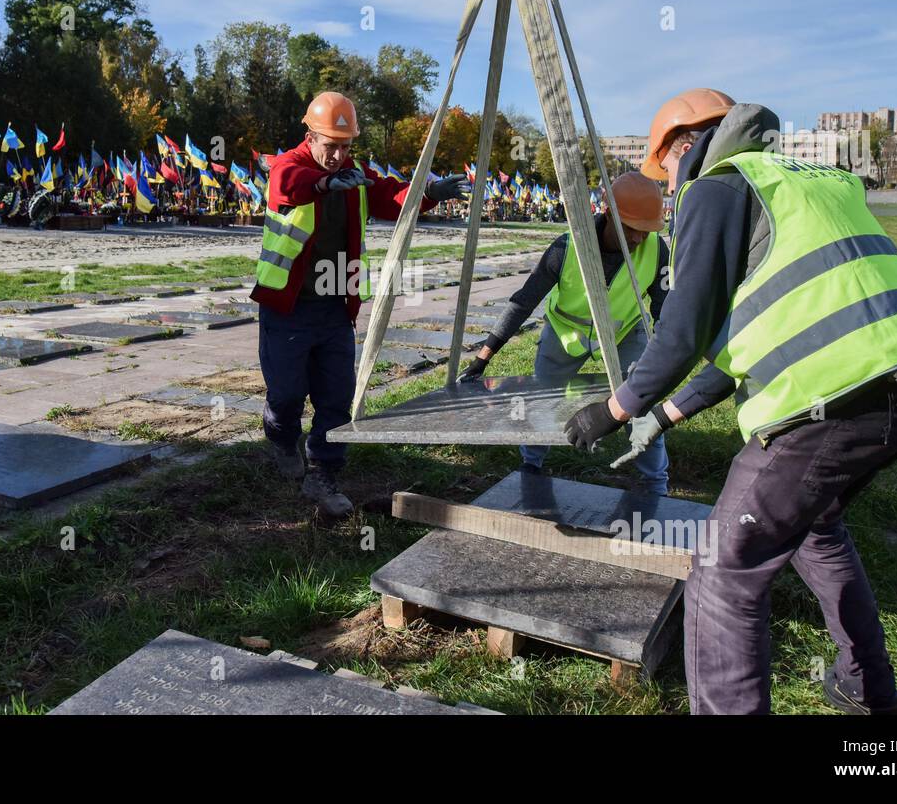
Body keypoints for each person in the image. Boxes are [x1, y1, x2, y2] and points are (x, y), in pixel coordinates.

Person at [561, 92, 897, 715]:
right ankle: (866, 686)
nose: (668, 192)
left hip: (829, 401)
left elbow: (683, 332)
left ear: (679, 147)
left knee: (722, 568)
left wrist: (612, 411)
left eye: (664, 174)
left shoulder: (715, 186)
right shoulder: (801, 181)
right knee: (815, 528)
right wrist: (663, 415)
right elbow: (740, 340)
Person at [252, 91, 471, 518]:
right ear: (309, 136)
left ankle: (323, 473)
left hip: (336, 305)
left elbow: (391, 196)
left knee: (337, 398)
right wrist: (323, 183)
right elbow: (286, 186)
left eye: (345, 146)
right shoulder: (289, 165)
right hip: (288, 307)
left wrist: (429, 192)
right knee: (287, 393)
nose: (337, 155)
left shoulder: (354, 173)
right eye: (330, 145)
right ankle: (280, 436)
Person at [459, 171, 671, 493]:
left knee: (643, 402)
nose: (640, 239)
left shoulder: (657, 251)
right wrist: (483, 356)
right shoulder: (566, 248)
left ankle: (656, 484)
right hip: (565, 335)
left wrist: (661, 360)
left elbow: (664, 308)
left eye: (647, 230)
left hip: (625, 332)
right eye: (632, 229)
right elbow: (523, 301)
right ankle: (531, 465)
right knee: (544, 398)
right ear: (608, 213)